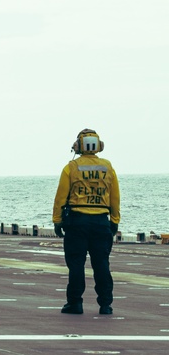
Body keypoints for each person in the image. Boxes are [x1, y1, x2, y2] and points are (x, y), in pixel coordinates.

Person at [52, 128, 120, 315]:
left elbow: (60, 198)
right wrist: (114, 221)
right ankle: (105, 305)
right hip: (101, 222)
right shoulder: (108, 167)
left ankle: (75, 303)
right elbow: (115, 198)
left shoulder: (71, 168)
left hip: (77, 222)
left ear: (79, 145)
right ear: (99, 146)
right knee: (102, 264)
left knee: (76, 265)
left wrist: (57, 221)